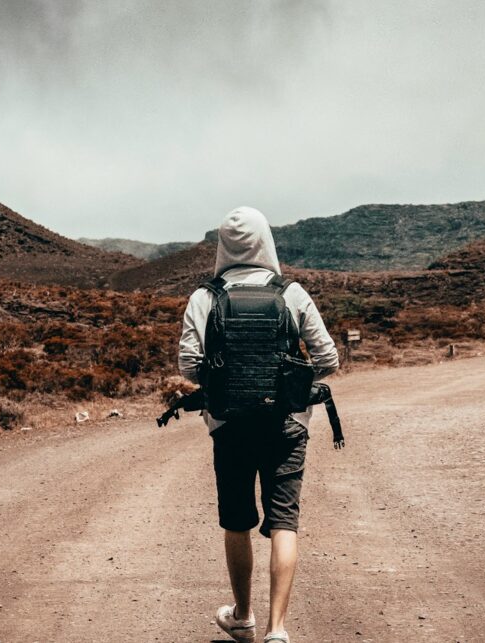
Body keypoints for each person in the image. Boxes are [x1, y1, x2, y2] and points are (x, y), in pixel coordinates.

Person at [179, 206, 340, 643]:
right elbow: (328, 359)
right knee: (283, 522)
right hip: (286, 426)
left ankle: (243, 616)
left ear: (223, 246)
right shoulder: (292, 293)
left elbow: (189, 366)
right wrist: (289, 382)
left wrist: (226, 380)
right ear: (266, 241)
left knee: (237, 521)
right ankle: (278, 630)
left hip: (228, 426)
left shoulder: (203, 297)